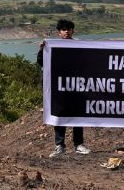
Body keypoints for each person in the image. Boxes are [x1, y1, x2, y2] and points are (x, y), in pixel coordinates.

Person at [37, 19, 90, 158]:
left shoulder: (80, 46)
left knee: (77, 115)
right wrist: (42, 50)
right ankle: (59, 146)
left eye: (68, 29)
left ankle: (79, 144)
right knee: (60, 116)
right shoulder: (53, 47)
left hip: (77, 87)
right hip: (60, 88)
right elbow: (42, 63)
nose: (66, 31)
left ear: (73, 31)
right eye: (63, 29)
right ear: (59, 32)